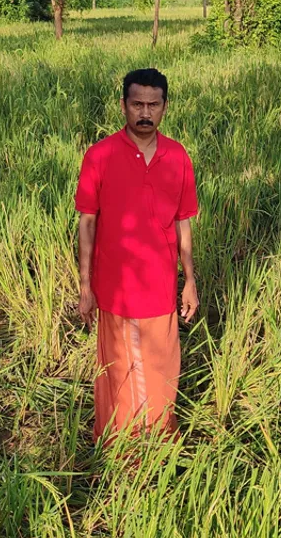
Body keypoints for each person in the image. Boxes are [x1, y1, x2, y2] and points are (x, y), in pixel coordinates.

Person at [74, 68, 200, 448]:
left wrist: (189, 280)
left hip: (161, 286)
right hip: (117, 288)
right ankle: (127, 452)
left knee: (162, 368)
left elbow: (183, 222)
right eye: (137, 104)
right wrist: (84, 285)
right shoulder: (100, 155)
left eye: (153, 104)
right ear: (123, 105)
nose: (145, 112)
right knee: (123, 373)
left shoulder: (177, 156)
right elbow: (87, 224)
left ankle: (157, 444)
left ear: (165, 107)